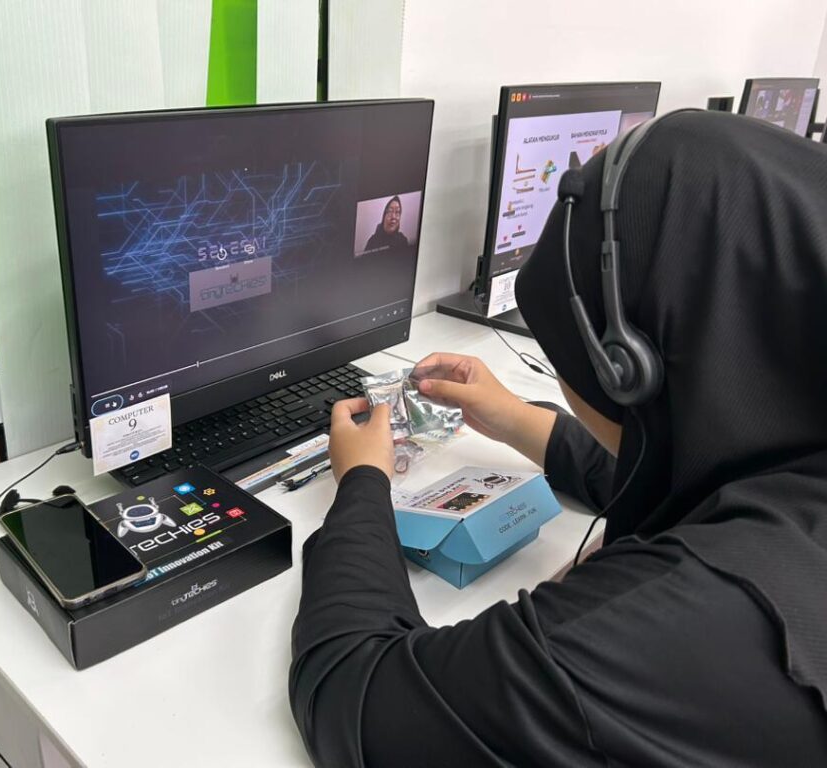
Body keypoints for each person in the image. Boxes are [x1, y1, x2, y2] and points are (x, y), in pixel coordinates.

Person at [289, 111, 827, 766]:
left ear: (626, 367)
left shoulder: (691, 619)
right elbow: (676, 471)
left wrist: (362, 481)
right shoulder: (794, 442)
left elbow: (359, 698)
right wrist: (513, 417)